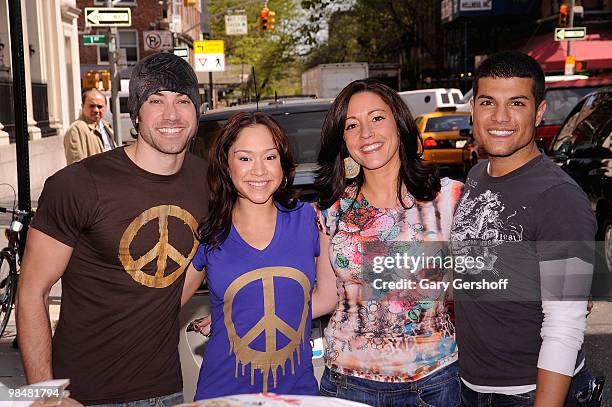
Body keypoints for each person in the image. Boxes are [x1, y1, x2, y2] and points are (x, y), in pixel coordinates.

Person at [16, 52, 208, 405]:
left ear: (197, 112)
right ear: (135, 113)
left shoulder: (208, 182)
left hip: (168, 389)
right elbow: (32, 290)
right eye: (156, 100)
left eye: (183, 101)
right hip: (84, 395)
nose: (171, 114)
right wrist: (45, 394)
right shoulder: (79, 185)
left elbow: (200, 263)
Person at [450, 51, 596, 406]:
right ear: (473, 109)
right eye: (488, 102)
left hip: (527, 393)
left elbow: (565, 326)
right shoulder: (476, 176)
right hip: (469, 385)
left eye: (516, 102)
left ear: (539, 111)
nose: (500, 117)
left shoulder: (559, 198)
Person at [313, 79, 464, 406]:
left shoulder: (448, 200)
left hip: (433, 382)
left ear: (400, 124)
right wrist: (247, 314)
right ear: (343, 139)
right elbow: (324, 298)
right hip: (346, 384)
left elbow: (492, 277)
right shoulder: (333, 209)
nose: (366, 133)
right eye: (352, 125)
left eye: (377, 118)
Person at [189, 112, 321, 399]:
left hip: (296, 394)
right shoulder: (209, 233)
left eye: (270, 157)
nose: (259, 170)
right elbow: (163, 303)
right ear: (226, 165)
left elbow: (330, 296)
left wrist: (251, 309)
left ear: (284, 165)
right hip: (222, 396)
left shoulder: (310, 220)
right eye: (245, 158)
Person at [64, 88, 116, 165]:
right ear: (82, 106)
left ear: (105, 107)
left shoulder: (105, 126)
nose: (96, 110)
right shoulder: (76, 129)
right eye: (92, 106)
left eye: (100, 106)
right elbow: (75, 165)